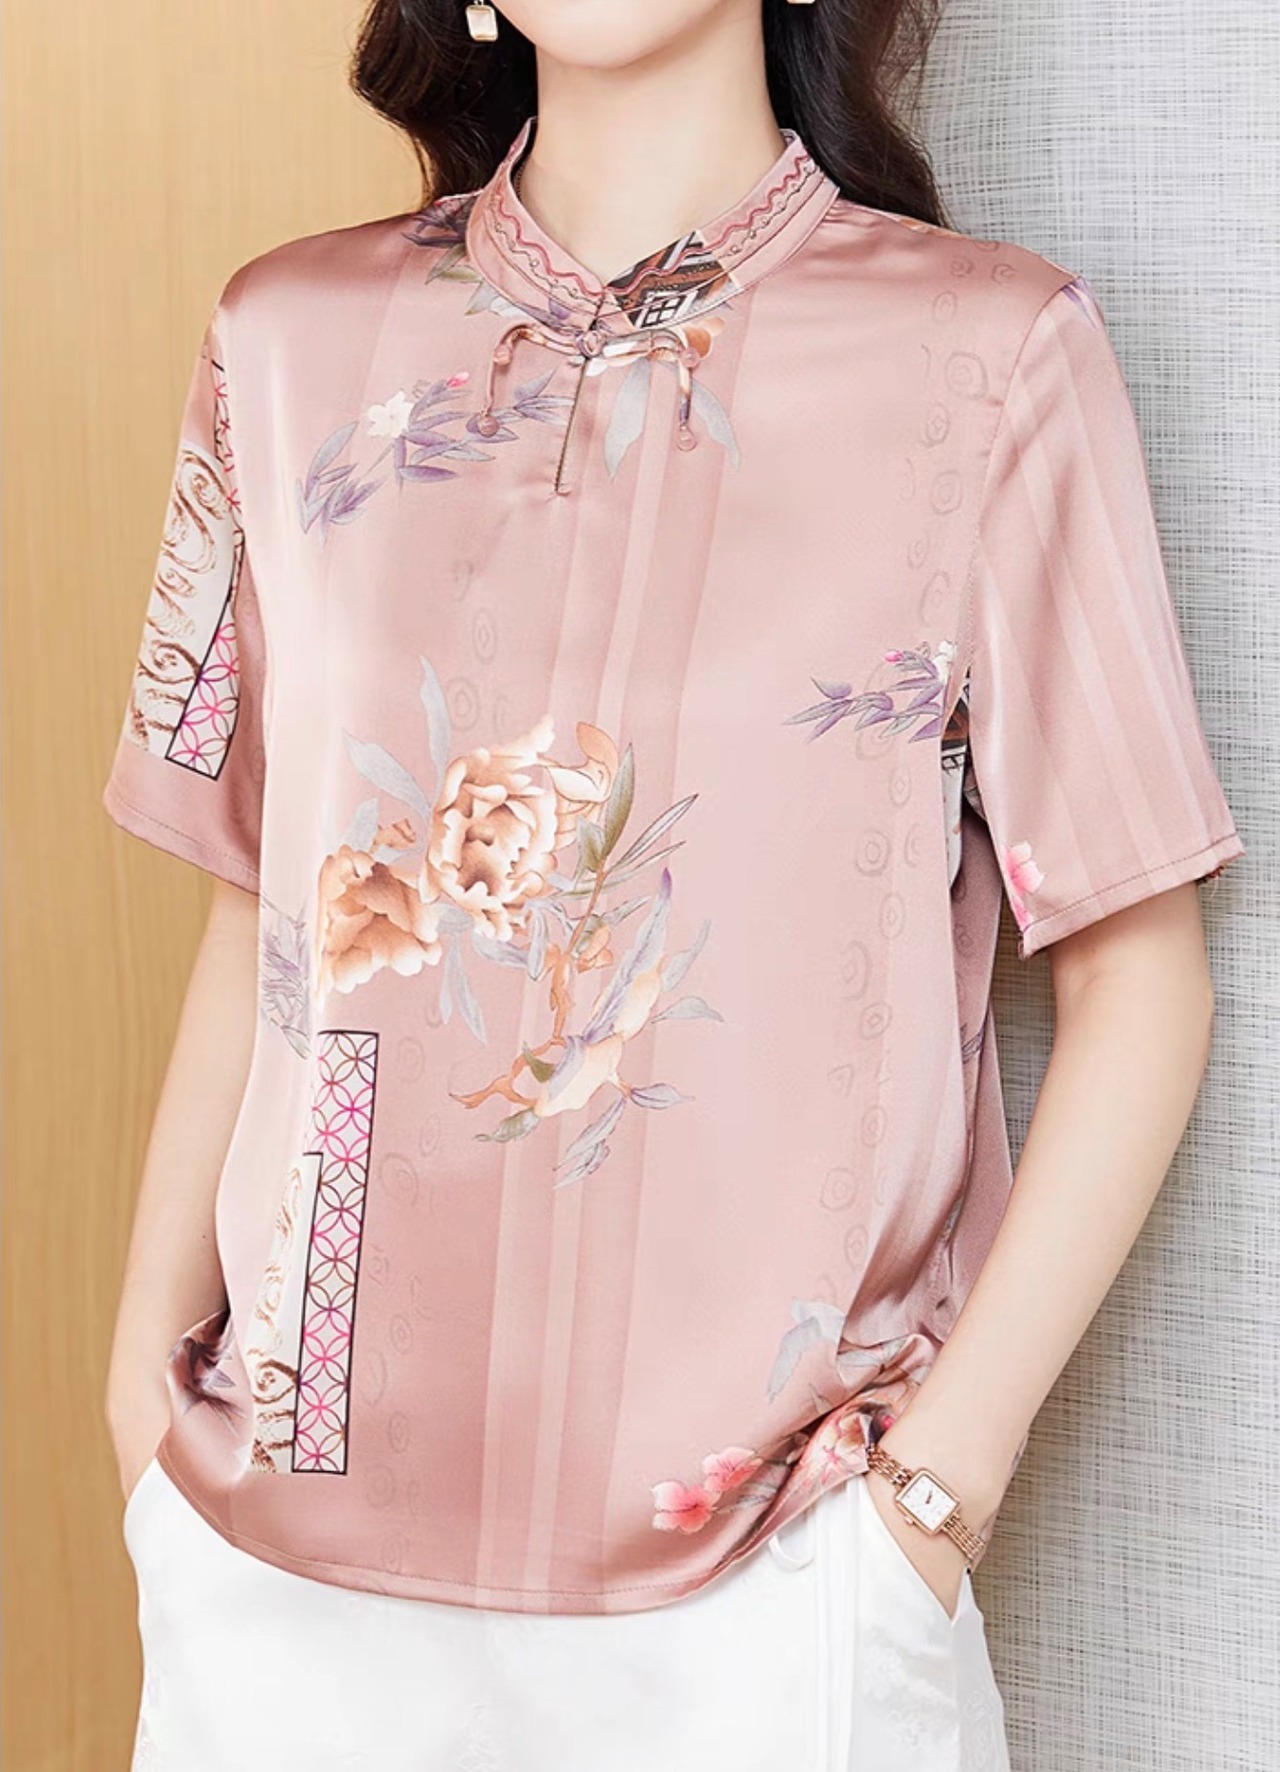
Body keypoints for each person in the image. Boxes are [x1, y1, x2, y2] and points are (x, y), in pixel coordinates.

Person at [102, 1, 1245, 1767]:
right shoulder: (284, 340)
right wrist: (139, 1395)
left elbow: (1139, 975)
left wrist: (934, 1499)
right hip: (279, 1584)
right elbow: (262, 903)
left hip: (771, 1603)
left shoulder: (991, 355)